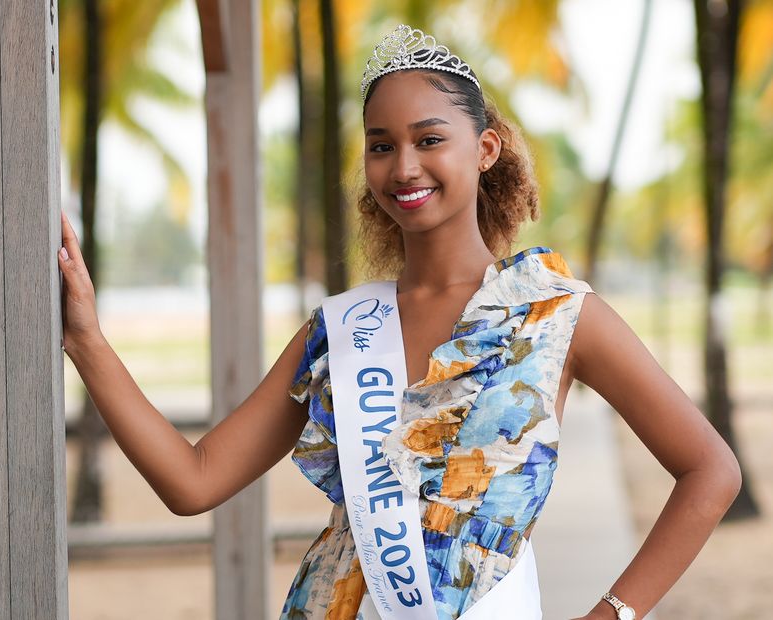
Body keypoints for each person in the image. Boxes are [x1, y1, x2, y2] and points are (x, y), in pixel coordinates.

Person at [58, 23, 742, 620]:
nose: (404, 165)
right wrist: (86, 340)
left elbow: (710, 470)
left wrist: (614, 613)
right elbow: (194, 480)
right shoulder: (341, 329)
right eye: (381, 145)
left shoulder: (556, 314)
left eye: (429, 139)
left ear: (486, 149)